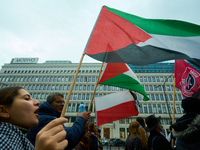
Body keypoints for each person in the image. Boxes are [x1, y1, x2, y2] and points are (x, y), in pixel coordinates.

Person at [0, 86, 68, 150]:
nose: (37, 102)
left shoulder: (17, 138)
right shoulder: (3, 140)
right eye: (27, 98)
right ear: (3, 111)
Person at [27, 92, 91, 150]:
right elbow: (70, 138)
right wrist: (81, 118)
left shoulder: (52, 117)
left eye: (63, 102)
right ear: (49, 103)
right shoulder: (45, 118)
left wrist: (82, 129)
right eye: (59, 102)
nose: (63, 104)